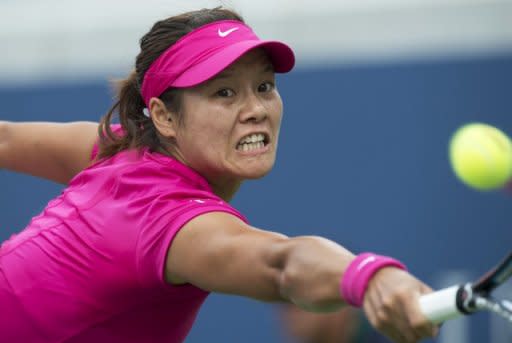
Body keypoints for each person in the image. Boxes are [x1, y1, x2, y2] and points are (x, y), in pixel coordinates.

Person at [0, 7, 438, 343]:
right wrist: (371, 276)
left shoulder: (118, 150)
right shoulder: (173, 223)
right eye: (224, 92)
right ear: (164, 117)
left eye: (264, 87)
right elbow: (280, 263)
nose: (256, 110)